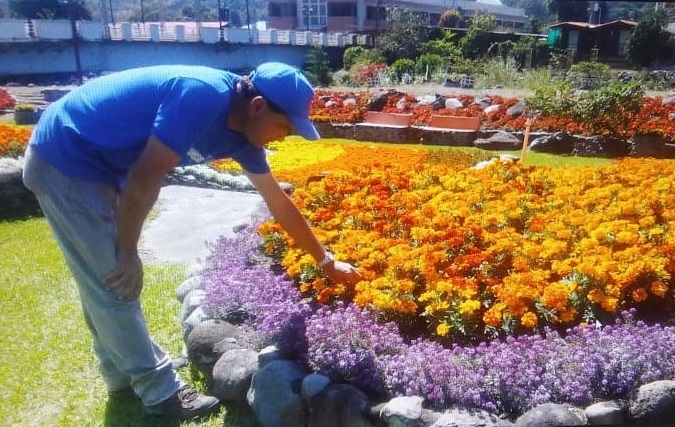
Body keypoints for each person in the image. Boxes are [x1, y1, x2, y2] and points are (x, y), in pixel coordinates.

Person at [22, 62, 362, 420]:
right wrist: (128, 250)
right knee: (115, 279)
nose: (284, 136)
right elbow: (146, 174)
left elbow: (279, 203)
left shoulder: (243, 136)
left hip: (101, 166)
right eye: (284, 126)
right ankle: (161, 393)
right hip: (65, 158)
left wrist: (325, 260)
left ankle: (122, 374)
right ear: (258, 105)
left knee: (102, 279)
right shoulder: (200, 96)